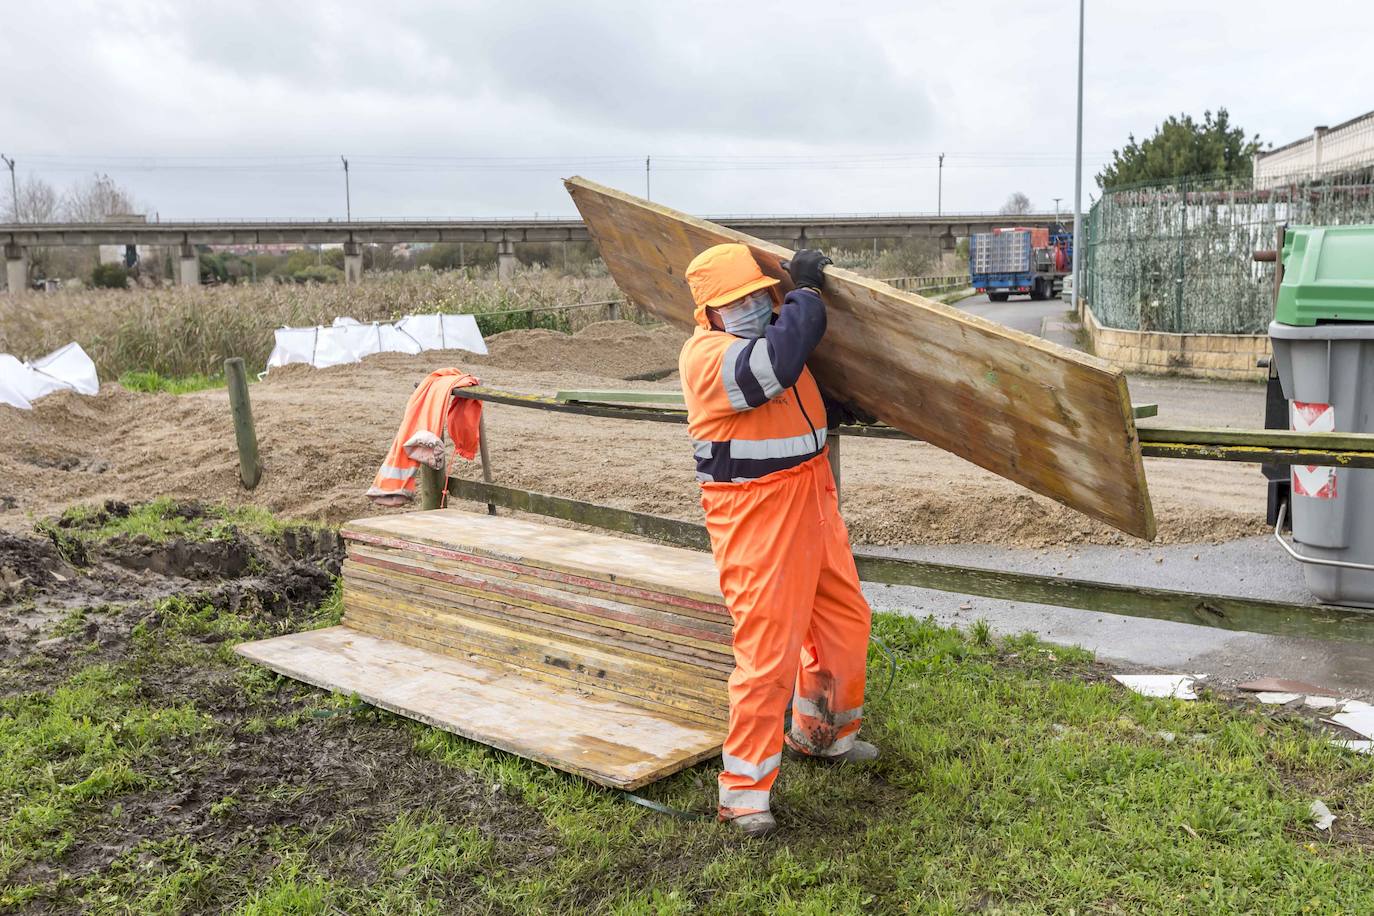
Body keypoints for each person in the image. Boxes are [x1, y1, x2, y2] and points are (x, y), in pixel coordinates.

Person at [678, 242, 877, 838]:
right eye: (735, 301)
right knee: (767, 657)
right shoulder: (708, 357)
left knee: (844, 620)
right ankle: (743, 795)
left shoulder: (765, 345)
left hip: (812, 499)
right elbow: (776, 365)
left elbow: (798, 391)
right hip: (757, 517)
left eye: (759, 296)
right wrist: (808, 294)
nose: (751, 307)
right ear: (710, 312)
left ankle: (823, 735)